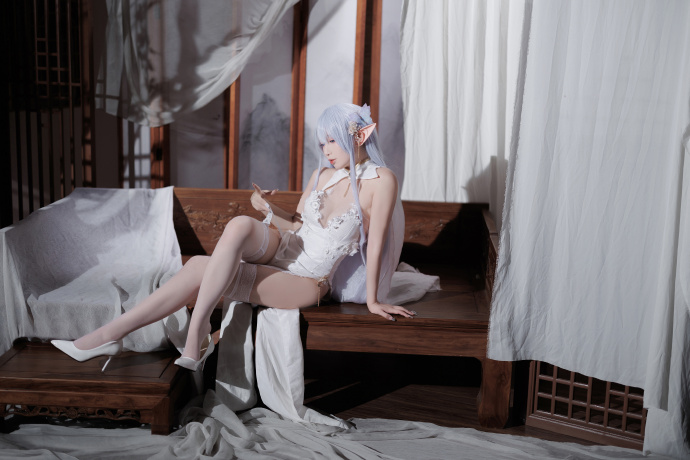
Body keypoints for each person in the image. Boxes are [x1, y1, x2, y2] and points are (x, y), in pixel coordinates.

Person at [51, 103, 415, 372]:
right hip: (284, 248)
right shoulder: (321, 176)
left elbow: (376, 243)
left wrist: (372, 300)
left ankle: (112, 336)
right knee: (241, 223)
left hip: (307, 279)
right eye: (323, 143)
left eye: (333, 141)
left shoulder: (382, 181)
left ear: (359, 136)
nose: (326, 150)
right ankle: (191, 334)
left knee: (199, 266)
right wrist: (266, 208)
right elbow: (297, 225)